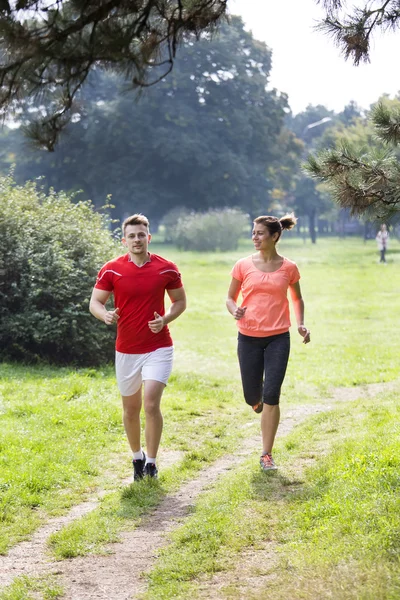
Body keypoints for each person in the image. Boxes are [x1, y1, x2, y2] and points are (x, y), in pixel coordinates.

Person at [89, 214, 186, 480]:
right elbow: (95, 302)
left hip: (159, 347)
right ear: (124, 240)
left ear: (148, 238)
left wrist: (165, 319)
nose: (136, 239)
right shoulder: (112, 269)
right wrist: (105, 315)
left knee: (151, 404)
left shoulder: (166, 268)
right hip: (126, 349)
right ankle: (137, 457)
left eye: (141, 234)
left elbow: (179, 301)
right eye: (131, 236)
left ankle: (152, 463)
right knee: (131, 409)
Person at [226, 214, 310, 472]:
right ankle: (256, 399)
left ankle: (266, 454)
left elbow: (297, 299)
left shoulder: (289, 268)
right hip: (248, 338)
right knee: (252, 395)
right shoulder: (242, 265)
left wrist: (300, 324)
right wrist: (234, 310)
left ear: (275, 236)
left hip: (278, 338)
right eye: (253, 232)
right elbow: (230, 298)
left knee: (272, 395)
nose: (255, 237)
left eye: (260, 233)